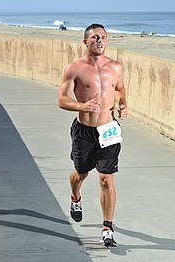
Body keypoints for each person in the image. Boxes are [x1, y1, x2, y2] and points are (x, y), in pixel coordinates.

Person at [58, 23, 128, 247]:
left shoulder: (115, 67)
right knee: (80, 174)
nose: (100, 41)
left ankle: (107, 227)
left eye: (104, 37)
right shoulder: (74, 69)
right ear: (85, 41)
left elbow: (119, 89)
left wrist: (123, 105)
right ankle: (75, 197)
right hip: (84, 133)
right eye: (95, 37)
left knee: (106, 180)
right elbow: (62, 100)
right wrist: (83, 106)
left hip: (108, 130)